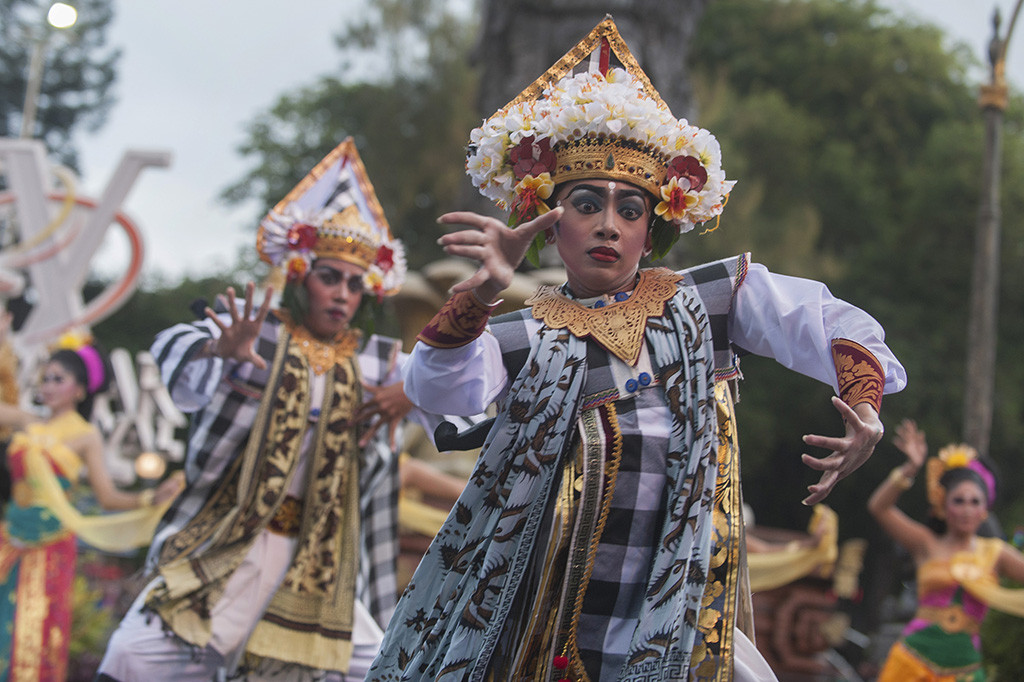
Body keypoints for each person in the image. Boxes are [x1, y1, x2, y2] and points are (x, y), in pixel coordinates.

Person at [368, 17, 906, 682]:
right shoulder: (523, 334)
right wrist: (478, 295)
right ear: (548, 224)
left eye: (630, 209)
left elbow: (828, 324)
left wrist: (866, 408)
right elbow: (434, 390)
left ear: (653, 232)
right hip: (542, 610)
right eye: (586, 203)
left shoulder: (712, 298)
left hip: (675, 606)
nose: (607, 224)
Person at [97, 139, 457, 681]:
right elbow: (176, 349)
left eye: (355, 285)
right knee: (131, 656)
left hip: (320, 557)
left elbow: (459, 398)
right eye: (329, 277)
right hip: (230, 541)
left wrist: (412, 392)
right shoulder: (254, 334)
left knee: (371, 668)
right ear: (298, 276)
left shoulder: (379, 364)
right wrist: (218, 350)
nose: (342, 294)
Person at [0, 339, 181, 682]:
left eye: (58, 379)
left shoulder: (85, 437)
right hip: (8, 543)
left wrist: (149, 498)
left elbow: (108, 497)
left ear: (79, 389)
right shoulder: (28, 422)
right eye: (45, 378)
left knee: (31, 635)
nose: (48, 386)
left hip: (48, 549)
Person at [869, 420, 1024, 681]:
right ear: (944, 506)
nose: (966, 509)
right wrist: (910, 468)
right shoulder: (927, 544)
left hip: (964, 668)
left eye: (975, 502)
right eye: (958, 501)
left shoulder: (996, 553)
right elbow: (879, 507)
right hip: (912, 660)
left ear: (984, 510)